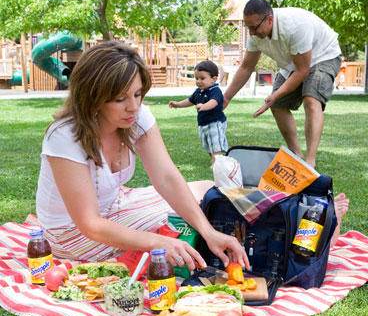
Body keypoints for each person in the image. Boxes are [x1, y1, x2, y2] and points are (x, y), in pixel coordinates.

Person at [36, 41, 249, 271]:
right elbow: (90, 224)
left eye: (138, 94)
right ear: (92, 96)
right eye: (120, 99)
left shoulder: (136, 117)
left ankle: (168, 244)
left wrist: (209, 232)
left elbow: (167, 178)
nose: (133, 106)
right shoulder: (65, 135)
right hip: (72, 232)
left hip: (113, 207)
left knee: (205, 189)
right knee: (168, 227)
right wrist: (159, 241)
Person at [223, 0, 342, 168]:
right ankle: (296, 155)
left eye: (254, 28)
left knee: (311, 99)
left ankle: (309, 161)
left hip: (323, 55)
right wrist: (226, 97)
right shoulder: (256, 33)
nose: (251, 33)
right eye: (247, 27)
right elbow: (246, 67)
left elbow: (303, 71)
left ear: (269, 19)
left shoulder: (295, 26)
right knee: (277, 104)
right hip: (293, 62)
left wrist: (274, 95)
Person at [169, 61, 227, 166]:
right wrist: (177, 104)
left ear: (213, 79)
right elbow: (190, 101)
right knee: (207, 144)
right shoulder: (198, 92)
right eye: (197, 78)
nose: (198, 81)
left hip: (215, 122)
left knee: (215, 143)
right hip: (203, 123)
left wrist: (204, 106)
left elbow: (214, 102)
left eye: (202, 78)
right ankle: (214, 159)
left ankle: (217, 162)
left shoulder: (215, 90)